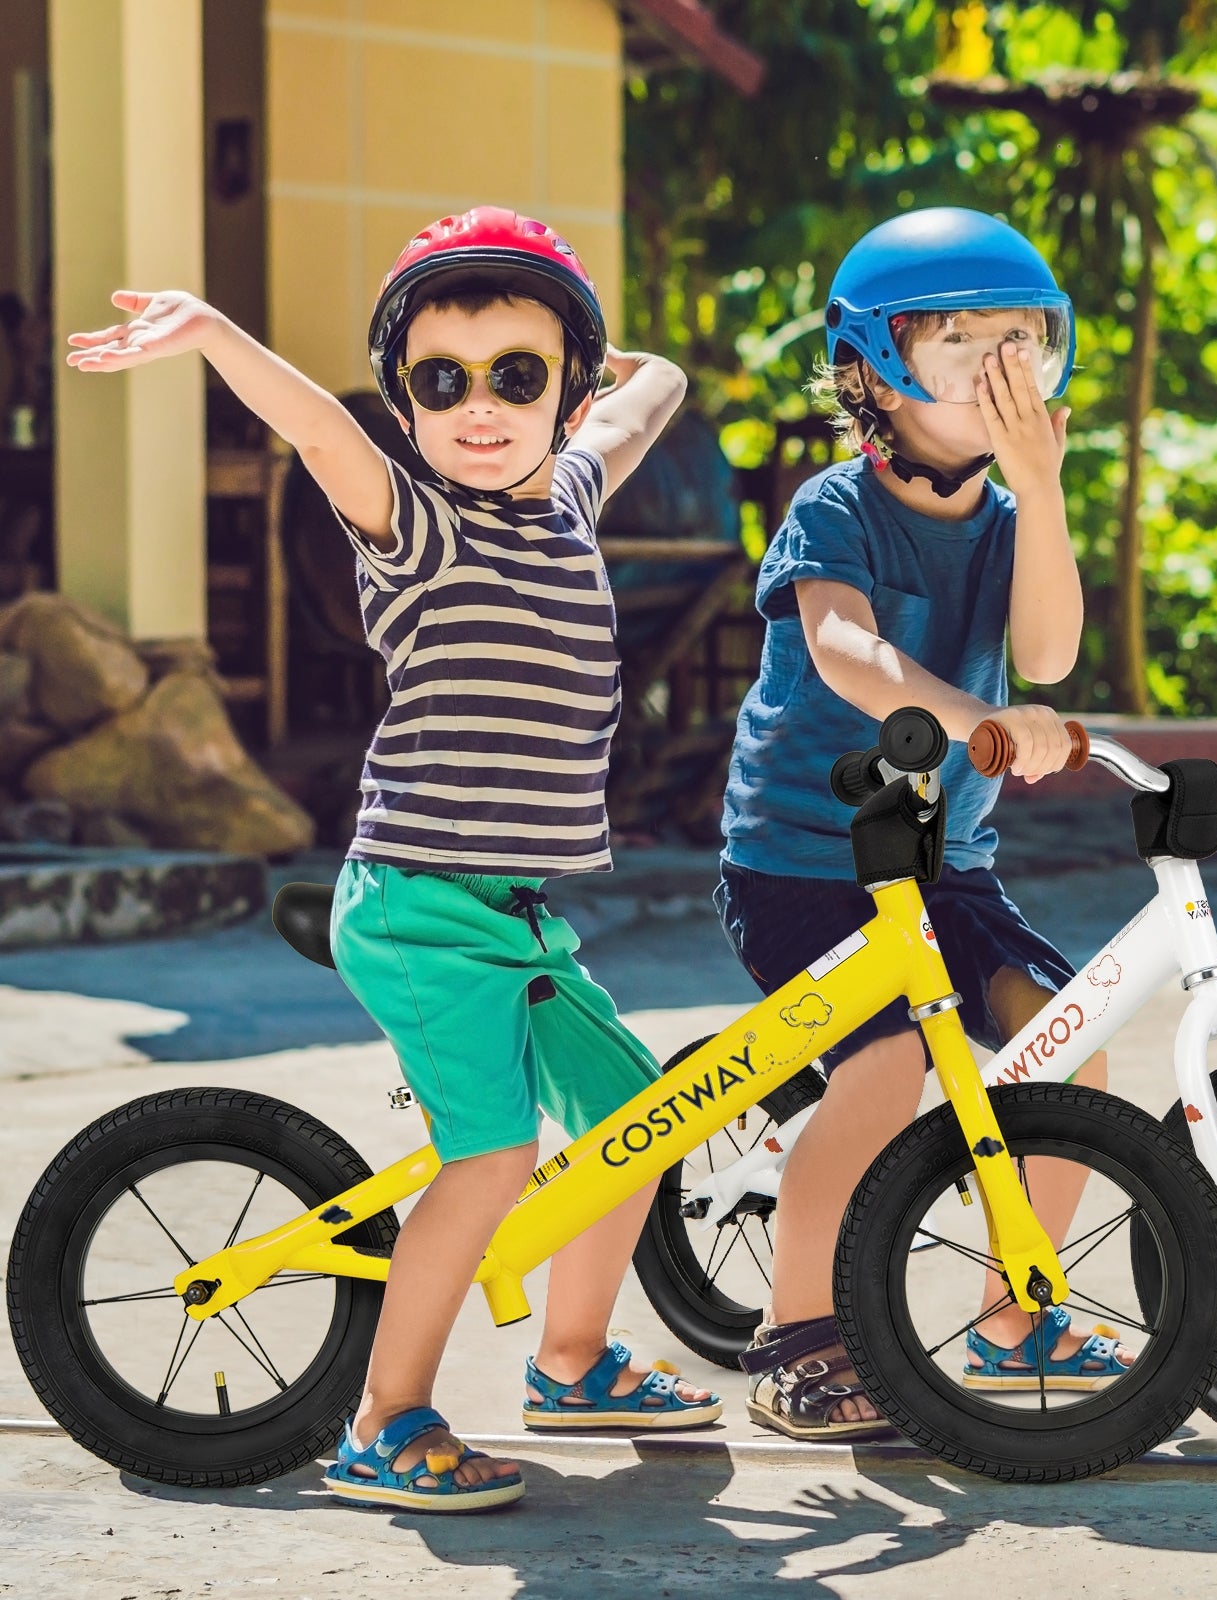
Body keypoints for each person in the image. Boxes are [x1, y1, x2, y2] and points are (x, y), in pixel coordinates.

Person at [67, 207, 719, 1511]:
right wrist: (213, 335)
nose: (480, 407)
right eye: (441, 382)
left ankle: (574, 1361)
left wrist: (579, 321)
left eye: (518, 374)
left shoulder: (572, 497)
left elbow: (656, 392)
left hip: (512, 915)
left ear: (564, 387)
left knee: (647, 1121)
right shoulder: (416, 527)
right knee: (492, 1155)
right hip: (420, 908)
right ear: (406, 408)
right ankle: (387, 1419)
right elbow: (317, 427)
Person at [716, 207, 1135, 1439]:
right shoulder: (833, 510)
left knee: (1074, 1043)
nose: (1003, 375)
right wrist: (964, 715)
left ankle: (1019, 1310)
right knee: (887, 1066)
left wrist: (1042, 485)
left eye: (1027, 345)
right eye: (964, 347)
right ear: (875, 371)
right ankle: (799, 1339)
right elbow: (845, 650)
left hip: (945, 864)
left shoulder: (1009, 521)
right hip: (803, 858)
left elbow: (1047, 651)